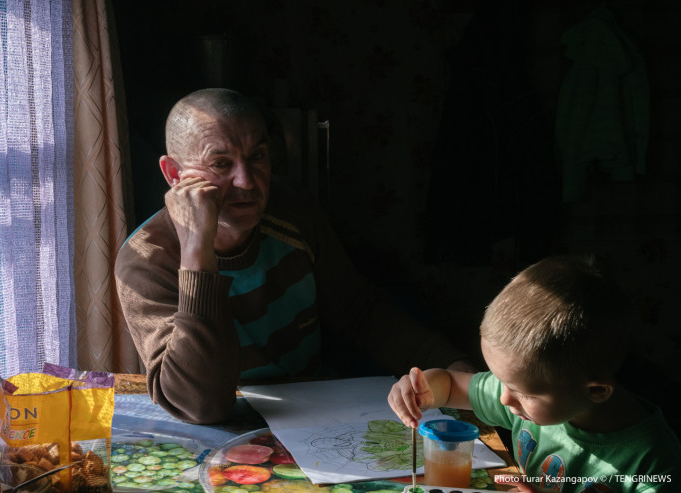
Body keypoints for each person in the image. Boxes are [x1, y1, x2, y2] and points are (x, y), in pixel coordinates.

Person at [115, 88, 474, 424]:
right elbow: (200, 406)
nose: (246, 181)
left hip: (312, 415)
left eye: (257, 156)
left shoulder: (290, 210)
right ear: (175, 174)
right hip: (221, 429)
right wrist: (197, 249)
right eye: (221, 164)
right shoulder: (145, 261)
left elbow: (358, 313)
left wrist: (451, 366)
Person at [388, 255, 681, 493]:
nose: (504, 399)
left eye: (524, 393)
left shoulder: (653, 461)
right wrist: (424, 389)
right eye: (502, 381)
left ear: (595, 391)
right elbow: (452, 386)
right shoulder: (529, 396)